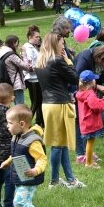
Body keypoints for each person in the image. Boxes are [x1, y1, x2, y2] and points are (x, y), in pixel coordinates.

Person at [34, 32, 85, 189]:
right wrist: (68, 60)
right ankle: (54, 181)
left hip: (48, 105)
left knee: (60, 144)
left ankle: (70, 179)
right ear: (55, 44)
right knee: (57, 145)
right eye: (62, 43)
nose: (64, 46)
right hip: (58, 104)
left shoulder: (40, 61)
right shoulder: (57, 61)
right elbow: (76, 78)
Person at [0, 104, 51, 207]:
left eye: (10, 123)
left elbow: (42, 159)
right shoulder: (17, 136)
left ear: (22, 124)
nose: (7, 126)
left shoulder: (32, 141)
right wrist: (8, 161)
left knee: (19, 203)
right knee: (25, 203)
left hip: (29, 178)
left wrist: (36, 170)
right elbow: (17, 154)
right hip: (19, 177)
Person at [74, 44, 104, 161]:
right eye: (103, 62)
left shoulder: (103, 61)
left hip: (90, 90)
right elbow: (79, 78)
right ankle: (81, 153)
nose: (103, 65)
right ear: (98, 57)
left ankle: (88, 153)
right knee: (80, 121)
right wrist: (100, 88)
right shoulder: (85, 58)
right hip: (81, 90)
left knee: (88, 123)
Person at [75, 70, 104, 169]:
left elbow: (90, 103)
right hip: (90, 122)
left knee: (89, 141)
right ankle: (89, 163)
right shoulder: (90, 93)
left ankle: (88, 160)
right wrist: (103, 101)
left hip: (85, 122)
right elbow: (95, 107)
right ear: (91, 82)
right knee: (90, 142)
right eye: (94, 79)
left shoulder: (81, 93)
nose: (95, 81)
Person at [0, 35, 32, 105]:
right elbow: (26, 66)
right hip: (16, 84)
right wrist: (24, 52)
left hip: (9, 83)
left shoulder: (2, 53)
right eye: (16, 43)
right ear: (13, 43)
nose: (17, 45)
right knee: (20, 105)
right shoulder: (11, 55)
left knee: (15, 105)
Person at [22, 25, 43, 127]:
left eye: (39, 37)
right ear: (30, 37)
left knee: (39, 101)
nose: (38, 39)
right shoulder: (28, 48)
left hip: (37, 78)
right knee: (35, 102)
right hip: (32, 79)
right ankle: (25, 124)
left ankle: (40, 123)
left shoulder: (33, 47)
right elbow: (30, 66)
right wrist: (42, 66)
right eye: (36, 37)